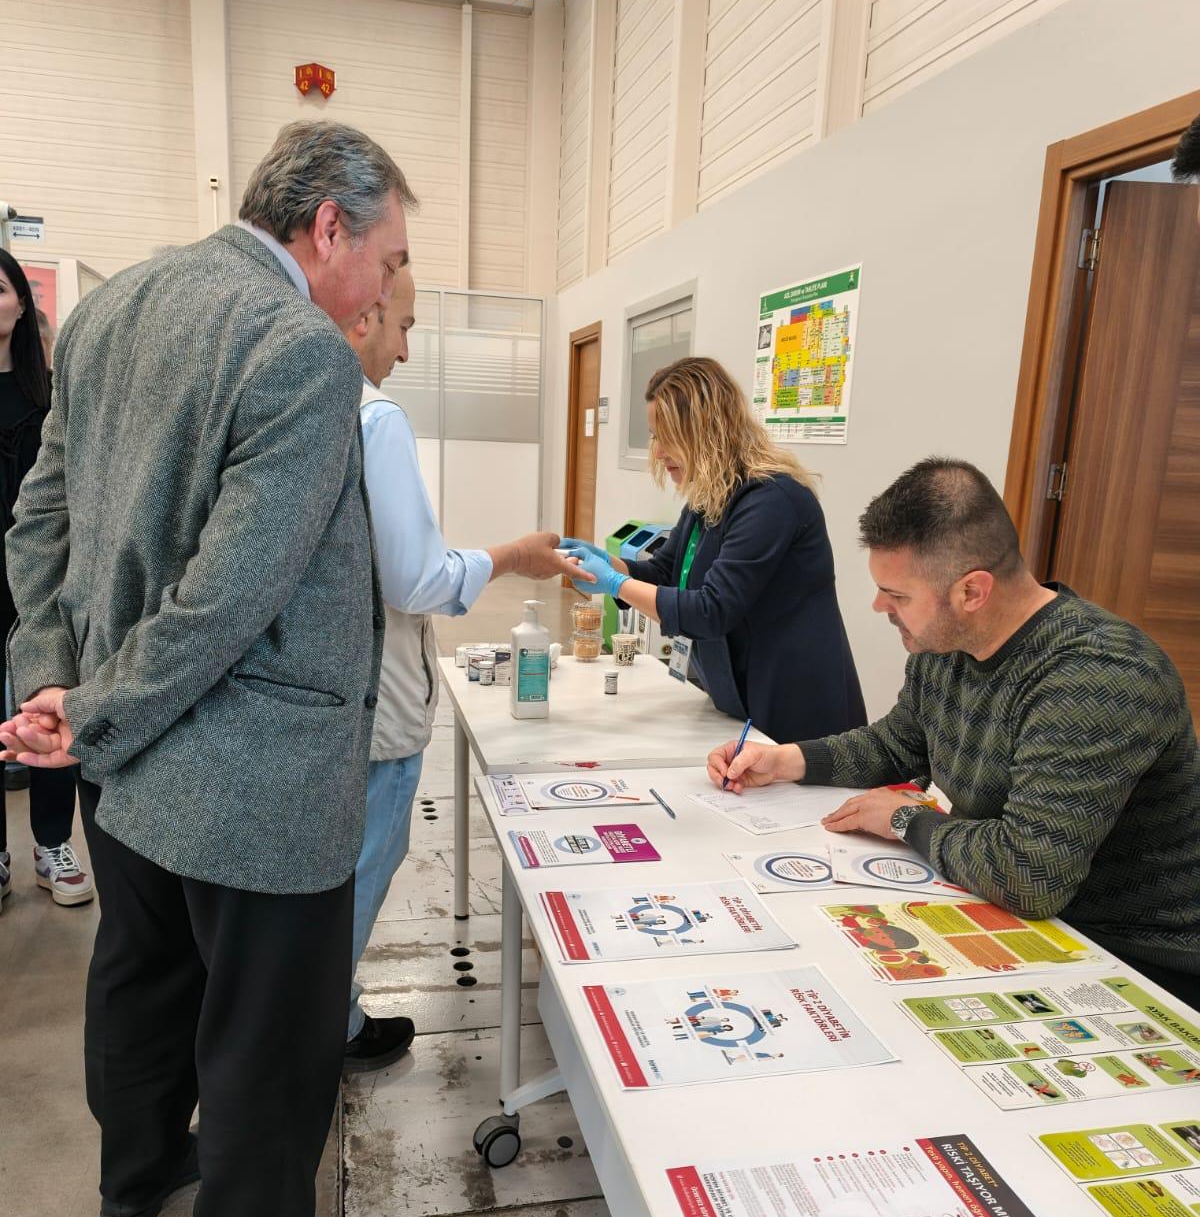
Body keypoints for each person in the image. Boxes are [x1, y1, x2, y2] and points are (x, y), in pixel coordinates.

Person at [1, 120, 412, 1217]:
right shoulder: (300, 349)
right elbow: (235, 592)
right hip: (251, 769)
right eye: (386, 260)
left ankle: (136, 1176)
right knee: (265, 1026)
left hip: (131, 773)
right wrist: (93, 707)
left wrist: (54, 685)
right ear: (326, 226)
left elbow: (39, 522)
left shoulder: (112, 310)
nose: (384, 289)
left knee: (142, 976)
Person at [708, 458, 1200, 991]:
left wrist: (904, 821)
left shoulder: (1099, 674)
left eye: (896, 595)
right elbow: (898, 744)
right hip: (1015, 919)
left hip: (1132, 959)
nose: (879, 607)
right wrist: (788, 760)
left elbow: (1028, 874)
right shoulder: (946, 644)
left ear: (972, 591)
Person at [339, 268, 572, 1072]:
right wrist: (513, 556)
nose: (406, 351)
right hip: (379, 702)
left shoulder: (296, 404)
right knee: (367, 862)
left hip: (325, 705)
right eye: (403, 326)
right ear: (364, 313)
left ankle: (317, 1017)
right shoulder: (377, 419)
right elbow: (415, 579)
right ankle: (327, 1025)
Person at [560, 356, 865, 743]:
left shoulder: (771, 500)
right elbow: (666, 574)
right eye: (654, 436)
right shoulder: (710, 497)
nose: (657, 453)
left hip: (795, 710)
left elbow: (711, 610)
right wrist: (607, 563)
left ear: (706, 430)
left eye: (667, 437)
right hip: (740, 700)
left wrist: (617, 584)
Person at [0, 248, 92, 910]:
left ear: (20, 302)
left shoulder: (52, 391)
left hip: (41, 583)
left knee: (47, 705)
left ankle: (52, 845)